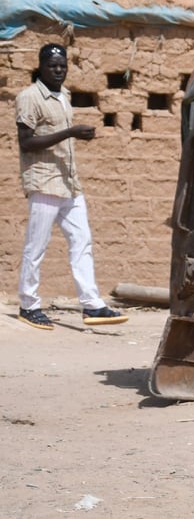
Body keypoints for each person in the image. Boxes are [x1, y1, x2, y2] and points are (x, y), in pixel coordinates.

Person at [14, 43, 128, 330]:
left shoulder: (63, 96)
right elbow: (26, 142)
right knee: (36, 245)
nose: (59, 70)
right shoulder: (29, 97)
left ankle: (91, 305)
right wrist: (70, 132)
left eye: (62, 65)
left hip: (69, 182)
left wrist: (74, 136)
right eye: (53, 65)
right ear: (40, 67)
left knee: (82, 240)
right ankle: (28, 305)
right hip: (43, 181)